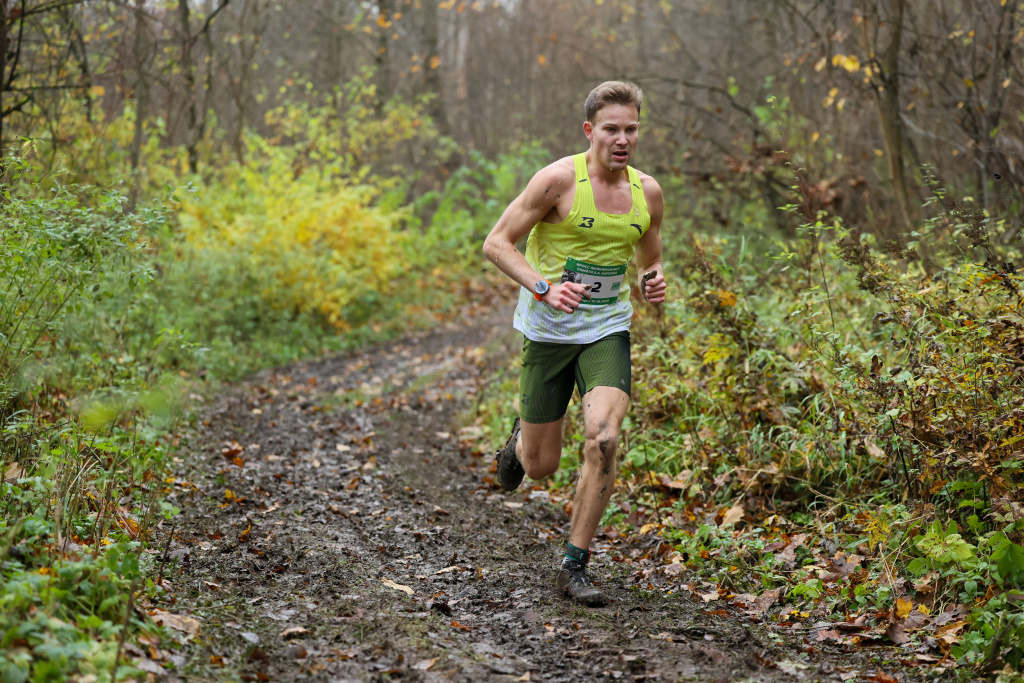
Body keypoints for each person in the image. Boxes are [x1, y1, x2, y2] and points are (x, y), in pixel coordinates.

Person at [481, 81, 666, 607]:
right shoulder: (558, 181)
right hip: (548, 330)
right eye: (611, 129)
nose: (622, 139)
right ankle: (520, 442)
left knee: (604, 439)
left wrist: (652, 279)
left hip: (606, 327)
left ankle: (573, 565)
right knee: (541, 466)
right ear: (590, 130)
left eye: (631, 129)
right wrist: (544, 287)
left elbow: (650, 256)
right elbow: (497, 243)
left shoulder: (647, 192)